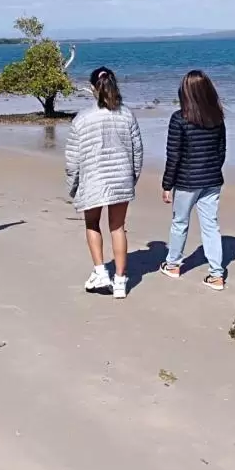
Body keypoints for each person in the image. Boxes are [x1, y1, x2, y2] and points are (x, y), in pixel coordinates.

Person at [65, 66, 143, 299]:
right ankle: (120, 280)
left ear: (92, 89)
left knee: (92, 224)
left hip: (92, 181)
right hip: (121, 180)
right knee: (117, 227)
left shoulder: (82, 119)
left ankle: (101, 271)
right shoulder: (127, 115)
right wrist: (132, 178)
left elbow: (72, 158)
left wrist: (73, 184)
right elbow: (137, 151)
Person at [160, 70, 228, 290]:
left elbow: (174, 155)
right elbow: (221, 151)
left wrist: (167, 184)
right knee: (211, 225)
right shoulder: (217, 117)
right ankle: (217, 274)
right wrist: (212, 170)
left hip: (188, 181)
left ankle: (173, 264)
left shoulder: (179, 118)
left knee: (180, 222)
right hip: (212, 179)